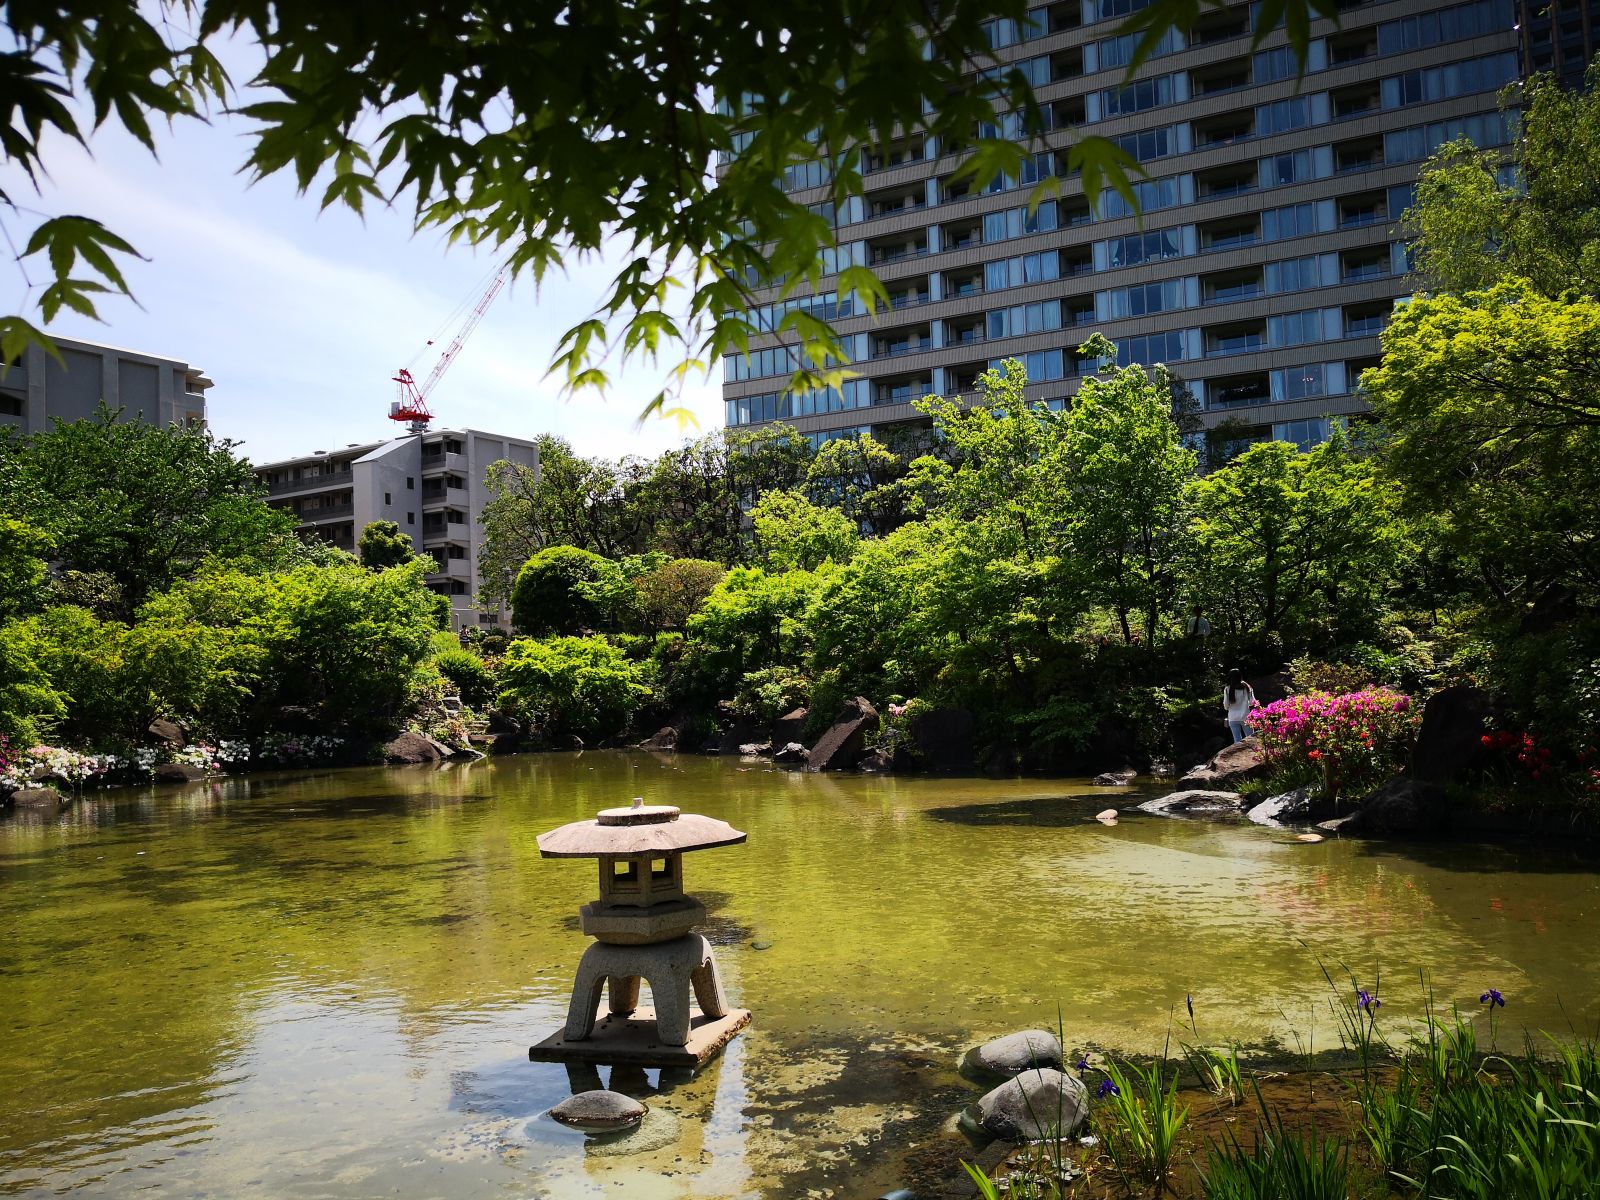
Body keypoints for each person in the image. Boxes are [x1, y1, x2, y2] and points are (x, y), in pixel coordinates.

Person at [1222, 668, 1255, 743]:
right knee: (1251, 739)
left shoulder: (1227, 689)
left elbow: (1226, 706)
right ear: (1240, 676)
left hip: (1233, 718)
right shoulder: (1247, 687)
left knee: (1237, 740)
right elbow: (1252, 702)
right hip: (1245, 717)